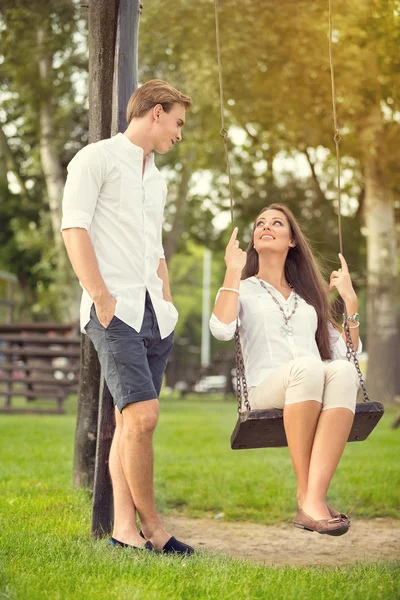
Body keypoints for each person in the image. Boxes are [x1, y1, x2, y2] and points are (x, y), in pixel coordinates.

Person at [61, 80, 194, 554]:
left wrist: (169, 302)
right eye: (178, 122)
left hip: (155, 314)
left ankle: (123, 529)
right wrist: (101, 298)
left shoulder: (155, 177)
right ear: (156, 112)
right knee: (144, 416)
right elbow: (73, 227)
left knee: (129, 421)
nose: (180, 133)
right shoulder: (94, 159)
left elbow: (155, 249)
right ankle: (155, 528)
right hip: (114, 311)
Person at [210, 203, 362, 537]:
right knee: (309, 367)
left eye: (277, 223)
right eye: (260, 223)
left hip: (308, 382)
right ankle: (305, 494)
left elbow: (348, 354)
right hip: (266, 388)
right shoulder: (244, 288)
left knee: (343, 372)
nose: (266, 226)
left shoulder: (307, 299)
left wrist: (350, 303)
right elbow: (221, 329)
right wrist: (231, 272)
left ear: (291, 240)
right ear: (254, 240)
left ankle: (313, 501)